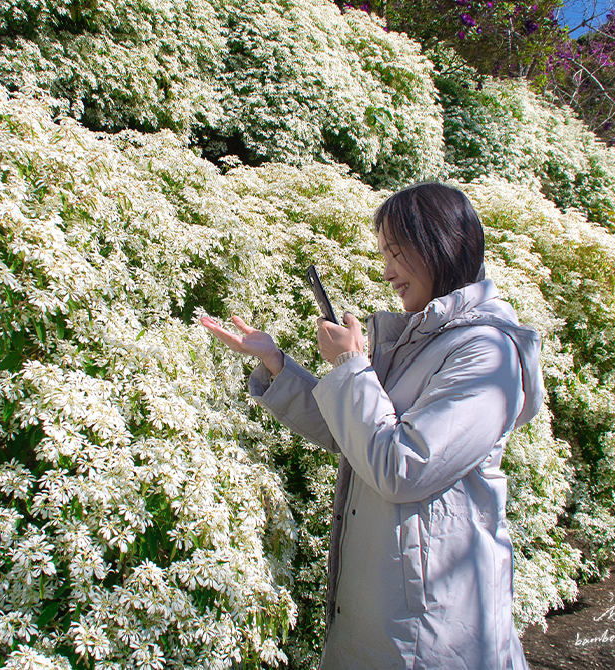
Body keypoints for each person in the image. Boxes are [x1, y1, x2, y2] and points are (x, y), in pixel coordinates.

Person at [200, 182, 542, 670]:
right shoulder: (420, 339)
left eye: (396, 254)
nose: (387, 273)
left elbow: (402, 467)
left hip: (433, 622)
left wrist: (352, 367)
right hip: (384, 606)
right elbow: (357, 437)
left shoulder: (486, 354)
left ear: (440, 246)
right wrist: (277, 364)